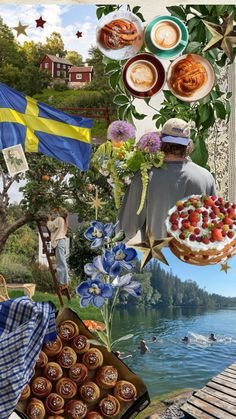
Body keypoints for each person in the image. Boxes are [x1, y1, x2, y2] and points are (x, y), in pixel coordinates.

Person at [118, 118, 216, 241]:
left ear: (161, 143)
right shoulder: (206, 177)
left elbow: (126, 228)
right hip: (195, 257)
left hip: (158, 256)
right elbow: (214, 225)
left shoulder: (145, 177)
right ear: (186, 146)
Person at [47, 209, 69, 291]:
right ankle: (66, 281)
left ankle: (64, 282)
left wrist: (49, 220)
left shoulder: (59, 219)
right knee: (63, 262)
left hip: (59, 242)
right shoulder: (64, 221)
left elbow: (51, 227)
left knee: (61, 264)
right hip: (62, 242)